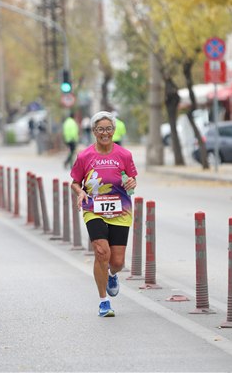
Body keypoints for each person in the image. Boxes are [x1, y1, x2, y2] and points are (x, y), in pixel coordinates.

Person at [70, 111, 138, 317]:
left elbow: (132, 179)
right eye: (100, 129)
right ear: (94, 131)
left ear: (114, 130)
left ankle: (111, 274)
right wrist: (80, 192)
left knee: (117, 262)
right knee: (101, 252)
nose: (105, 133)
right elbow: (75, 182)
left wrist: (131, 182)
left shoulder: (124, 155)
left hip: (120, 209)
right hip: (94, 208)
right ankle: (103, 302)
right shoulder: (84, 156)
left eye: (108, 129)